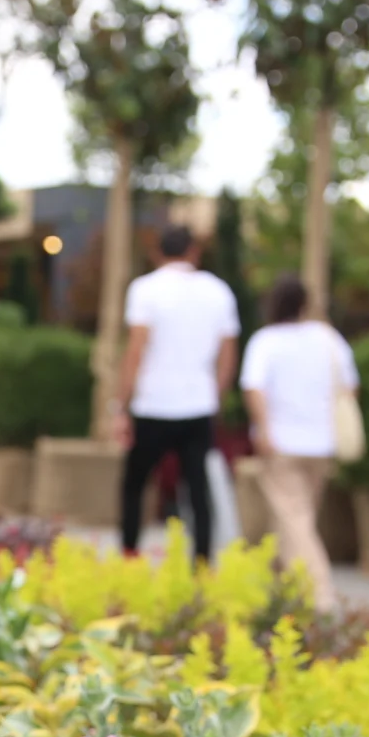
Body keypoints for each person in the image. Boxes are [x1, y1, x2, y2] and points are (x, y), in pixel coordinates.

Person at [114, 221, 241, 559]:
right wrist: (216, 393)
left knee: (135, 485)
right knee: (197, 490)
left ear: (157, 253)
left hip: (152, 404)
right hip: (198, 405)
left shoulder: (145, 289)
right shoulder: (218, 291)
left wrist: (120, 406)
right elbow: (228, 353)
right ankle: (201, 562)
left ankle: (129, 553)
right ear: (194, 252)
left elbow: (135, 350)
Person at [240, 273, 360, 611]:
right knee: (297, 519)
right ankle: (281, 593)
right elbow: (349, 387)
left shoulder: (267, 341)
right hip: (322, 443)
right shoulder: (329, 340)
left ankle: (320, 595)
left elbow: (254, 388)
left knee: (295, 522)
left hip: (282, 442)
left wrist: (263, 429)